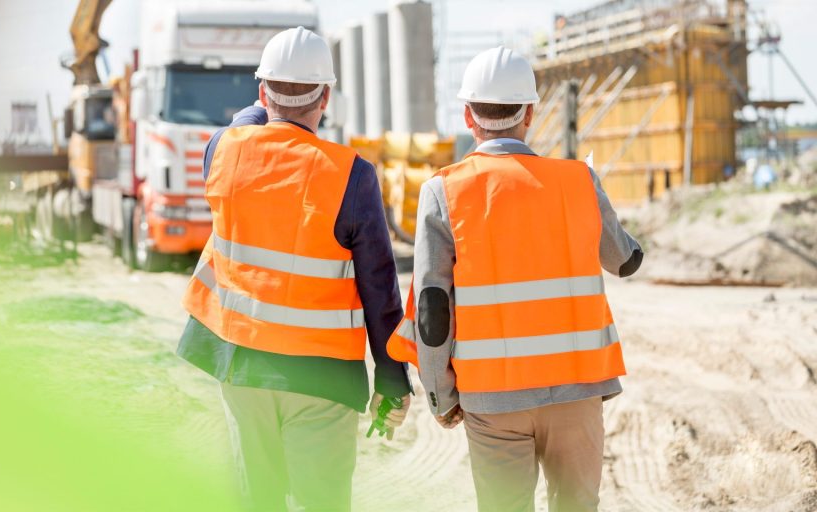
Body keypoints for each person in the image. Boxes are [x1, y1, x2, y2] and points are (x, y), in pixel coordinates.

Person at [388, 46, 644, 512]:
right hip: (578, 387)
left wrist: (440, 393)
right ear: (530, 112)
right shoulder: (578, 181)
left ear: (468, 115)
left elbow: (431, 307)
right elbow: (624, 260)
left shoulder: (442, 191)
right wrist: (594, 191)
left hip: (493, 399)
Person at [178, 26, 411, 511]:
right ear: (326, 96)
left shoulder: (223, 150)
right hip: (322, 379)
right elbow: (379, 287)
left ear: (262, 91)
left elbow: (246, 123)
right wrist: (392, 377)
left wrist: (265, 104)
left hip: (242, 367)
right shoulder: (352, 175)